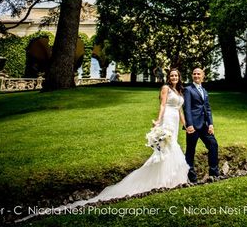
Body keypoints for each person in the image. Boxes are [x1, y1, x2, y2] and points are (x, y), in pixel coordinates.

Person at [64, 69, 189, 206]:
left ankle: (172, 180)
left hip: (175, 121)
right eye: (172, 75)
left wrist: (186, 124)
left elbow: (179, 109)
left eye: (176, 75)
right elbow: (162, 105)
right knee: (167, 148)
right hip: (167, 119)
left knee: (172, 145)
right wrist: (158, 121)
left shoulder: (179, 90)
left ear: (179, 77)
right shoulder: (166, 88)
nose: (174, 77)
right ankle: (162, 181)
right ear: (168, 77)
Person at [183, 67, 219, 182]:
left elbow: (207, 108)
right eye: (194, 74)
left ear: (203, 76)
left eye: (199, 74)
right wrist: (189, 124)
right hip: (193, 126)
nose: (196, 76)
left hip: (204, 125)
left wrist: (211, 124)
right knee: (190, 150)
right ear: (192, 76)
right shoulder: (188, 89)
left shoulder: (204, 91)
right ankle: (191, 176)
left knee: (213, 144)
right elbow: (187, 108)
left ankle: (214, 173)